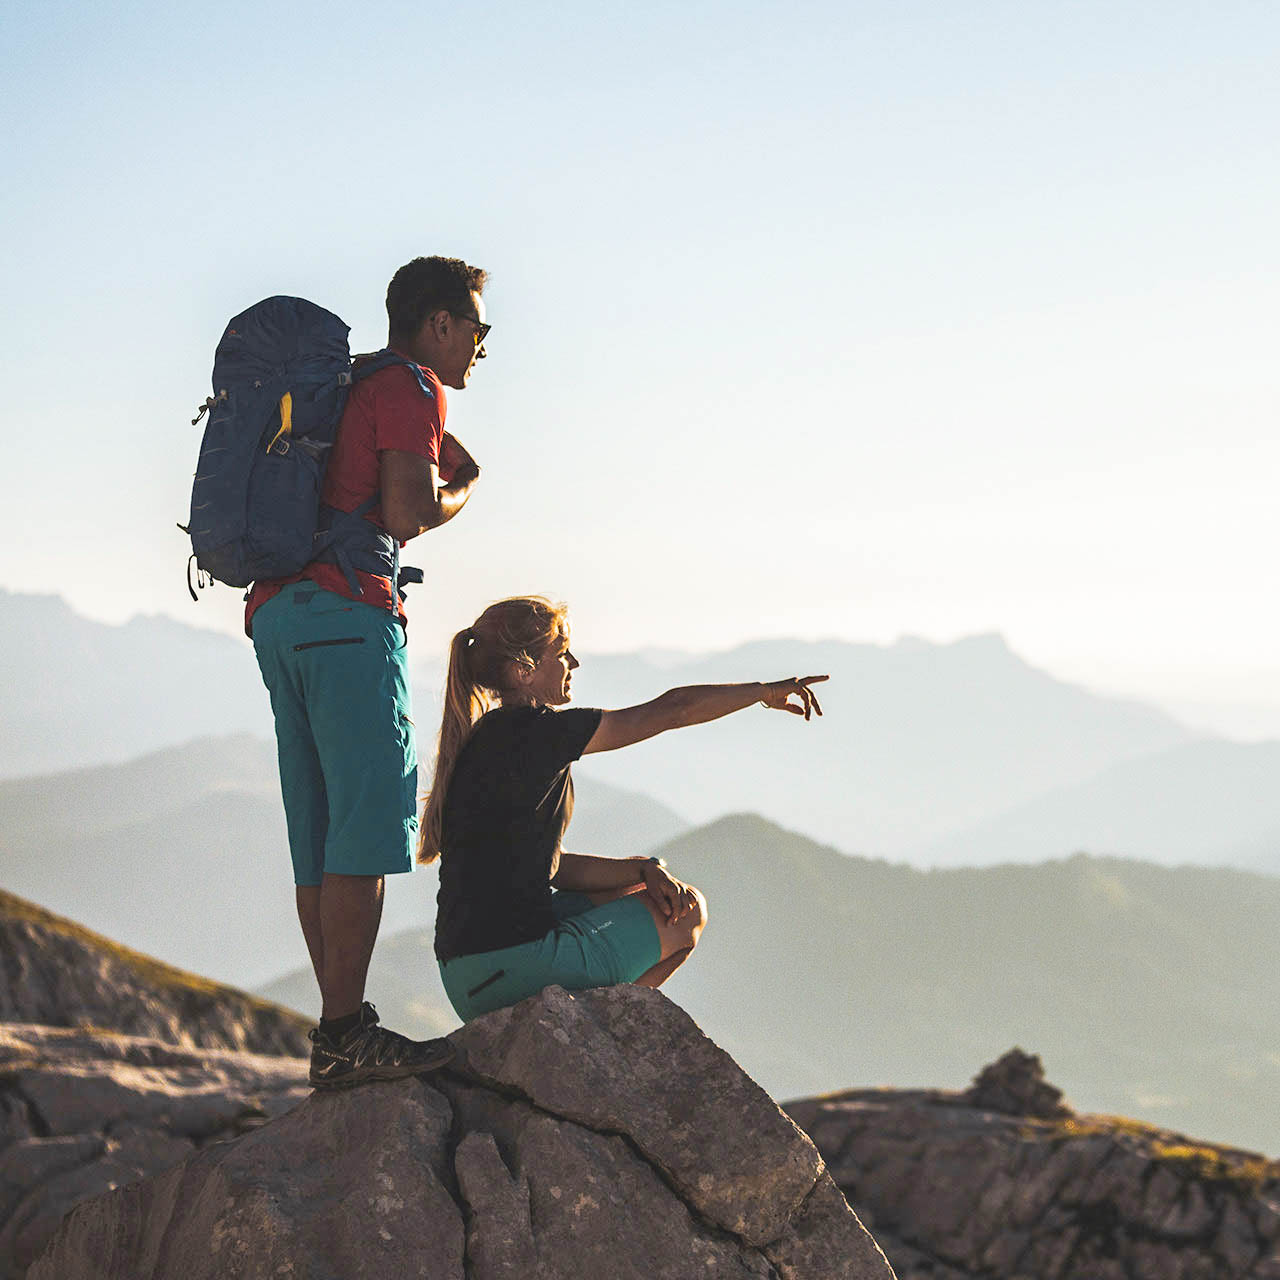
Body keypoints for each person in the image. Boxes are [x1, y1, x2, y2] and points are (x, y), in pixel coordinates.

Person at [247, 256, 489, 1088]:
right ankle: (346, 1033)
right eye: (477, 330)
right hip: (347, 615)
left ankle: (336, 1030)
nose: (479, 350)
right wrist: (464, 489)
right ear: (439, 324)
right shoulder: (414, 385)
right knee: (367, 824)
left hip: (279, 616)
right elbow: (405, 512)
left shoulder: (347, 382)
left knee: (318, 834)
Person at [421, 596, 827, 1021]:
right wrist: (764, 693)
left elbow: (548, 866)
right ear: (524, 671)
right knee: (686, 913)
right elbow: (674, 710)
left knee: (641, 890)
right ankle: (592, 1032)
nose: (573, 663)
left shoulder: (485, 738)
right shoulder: (542, 735)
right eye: (561, 653)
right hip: (511, 970)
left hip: (466, 976)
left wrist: (641, 870)